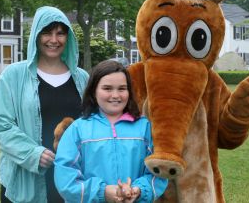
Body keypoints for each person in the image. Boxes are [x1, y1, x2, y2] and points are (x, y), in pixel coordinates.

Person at [0, 6, 89, 203]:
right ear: (36, 34)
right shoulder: (14, 76)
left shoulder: (82, 78)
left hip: (72, 177)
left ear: (68, 37)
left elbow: (92, 123)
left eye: (60, 33)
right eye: (47, 32)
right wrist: (33, 154)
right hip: (26, 178)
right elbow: (1, 125)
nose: (54, 40)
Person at [54, 60, 168, 203]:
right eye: (107, 88)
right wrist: (103, 192)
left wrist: (138, 191)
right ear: (94, 91)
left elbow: (158, 171)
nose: (115, 95)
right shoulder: (77, 130)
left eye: (122, 88)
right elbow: (66, 178)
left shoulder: (145, 128)